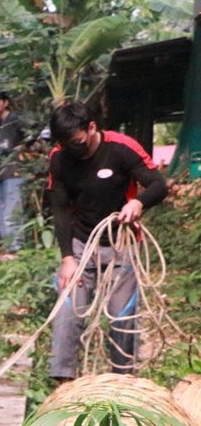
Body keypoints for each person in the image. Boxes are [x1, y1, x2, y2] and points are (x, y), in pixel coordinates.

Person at [47, 101, 167, 382]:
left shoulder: (121, 147)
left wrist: (138, 202)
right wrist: (67, 258)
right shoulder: (59, 157)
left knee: (121, 317)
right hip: (81, 245)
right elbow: (60, 208)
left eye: (76, 141)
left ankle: (123, 382)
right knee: (67, 311)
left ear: (91, 128)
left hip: (122, 246)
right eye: (65, 144)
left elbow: (159, 185)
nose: (71, 149)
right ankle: (64, 385)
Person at [0, 90, 26, 254]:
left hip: (14, 170)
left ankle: (16, 249)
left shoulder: (15, 119)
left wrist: (19, 152)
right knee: (1, 213)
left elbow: (30, 139)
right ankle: (8, 248)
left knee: (13, 211)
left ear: (5, 102)